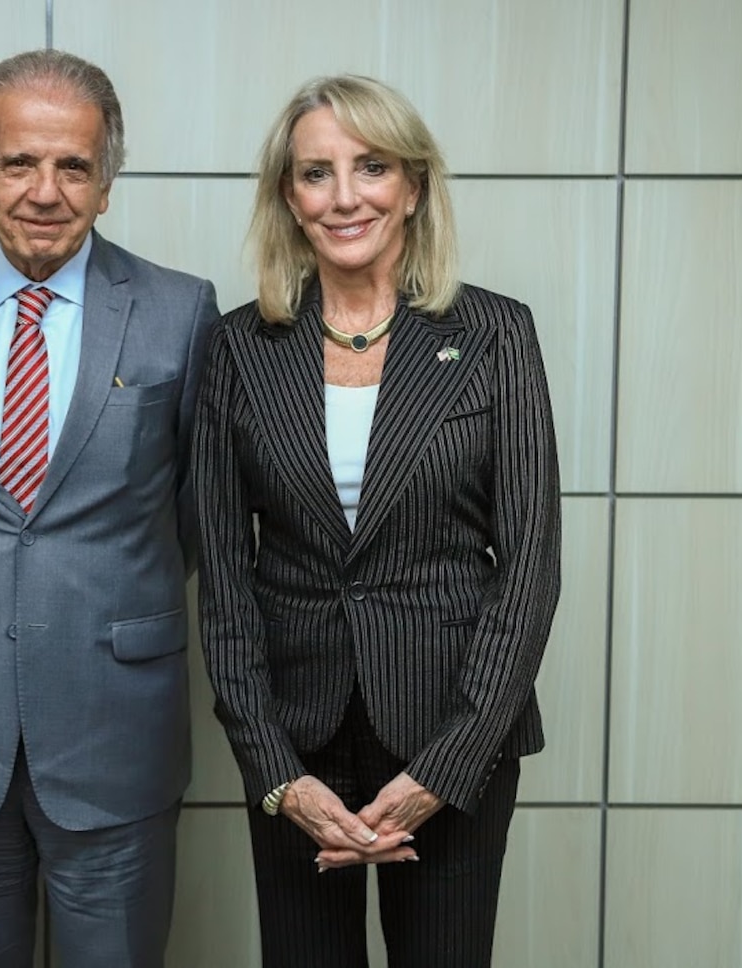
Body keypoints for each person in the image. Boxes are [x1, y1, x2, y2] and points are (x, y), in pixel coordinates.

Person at [0, 49, 219, 967]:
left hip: (116, 725)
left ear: (108, 184)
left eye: (74, 166)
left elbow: (193, 512)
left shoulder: (182, 312)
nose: (45, 190)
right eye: (18, 162)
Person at [194, 75, 562, 967]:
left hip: (451, 733)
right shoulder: (239, 347)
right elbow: (221, 577)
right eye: (316, 173)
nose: (345, 195)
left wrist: (447, 766)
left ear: (414, 187)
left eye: (372, 167)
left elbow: (529, 567)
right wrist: (276, 772)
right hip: (297, 736)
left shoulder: (495, 335)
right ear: (289, 196)